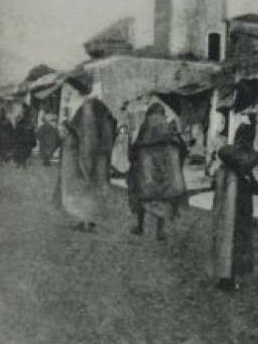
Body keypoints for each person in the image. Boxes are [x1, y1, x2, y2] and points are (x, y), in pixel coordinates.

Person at [211, 118, 258, 291]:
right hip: (241, 200)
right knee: (238, 236)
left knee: (226, 235)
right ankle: (233, 276)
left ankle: (225, 275)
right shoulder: (251, 155)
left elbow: (226, 154)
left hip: (227, 199)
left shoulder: (228, 152)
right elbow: (246, 163)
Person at [128, 101, 188, 241]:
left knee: (142, 196)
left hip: (146, 170)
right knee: (162, 199)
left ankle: (140, 226)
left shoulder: (146, 125)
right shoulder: (166, 127)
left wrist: (133, 160)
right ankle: (160, 231)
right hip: (163, 171)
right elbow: (181, 149)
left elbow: (136, 148)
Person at [55, 97, 117, 229]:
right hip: (100, 163)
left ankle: (86, 220)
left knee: (83, 191)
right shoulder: (104, 119)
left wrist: (84, 166)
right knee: (95, 191)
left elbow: (85, 146)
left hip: (84, 165)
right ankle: (89, 219)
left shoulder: (85, 120)